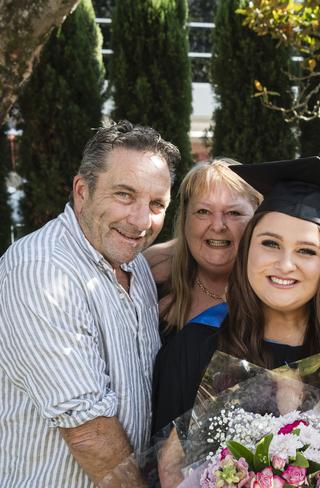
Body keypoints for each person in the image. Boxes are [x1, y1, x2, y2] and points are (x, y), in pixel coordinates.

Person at [151, 156, 320, 437]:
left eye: (306, 250)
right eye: (270, 243)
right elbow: (166, 465)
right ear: (247, 252)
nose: (285, 265)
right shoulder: (195, 345)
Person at [0, 120, 179, 487]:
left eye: (157, 203)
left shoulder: (133, 264)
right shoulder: (43, 270)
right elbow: (89, 433)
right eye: (124, 195)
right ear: (82, 191)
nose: (141, 220)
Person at [144, 159, 262, 345]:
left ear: (257, 221)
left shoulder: (276, 293)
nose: (217, 226)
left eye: (233, 213)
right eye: (203, 211)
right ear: (185, 220)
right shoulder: (152, 274)